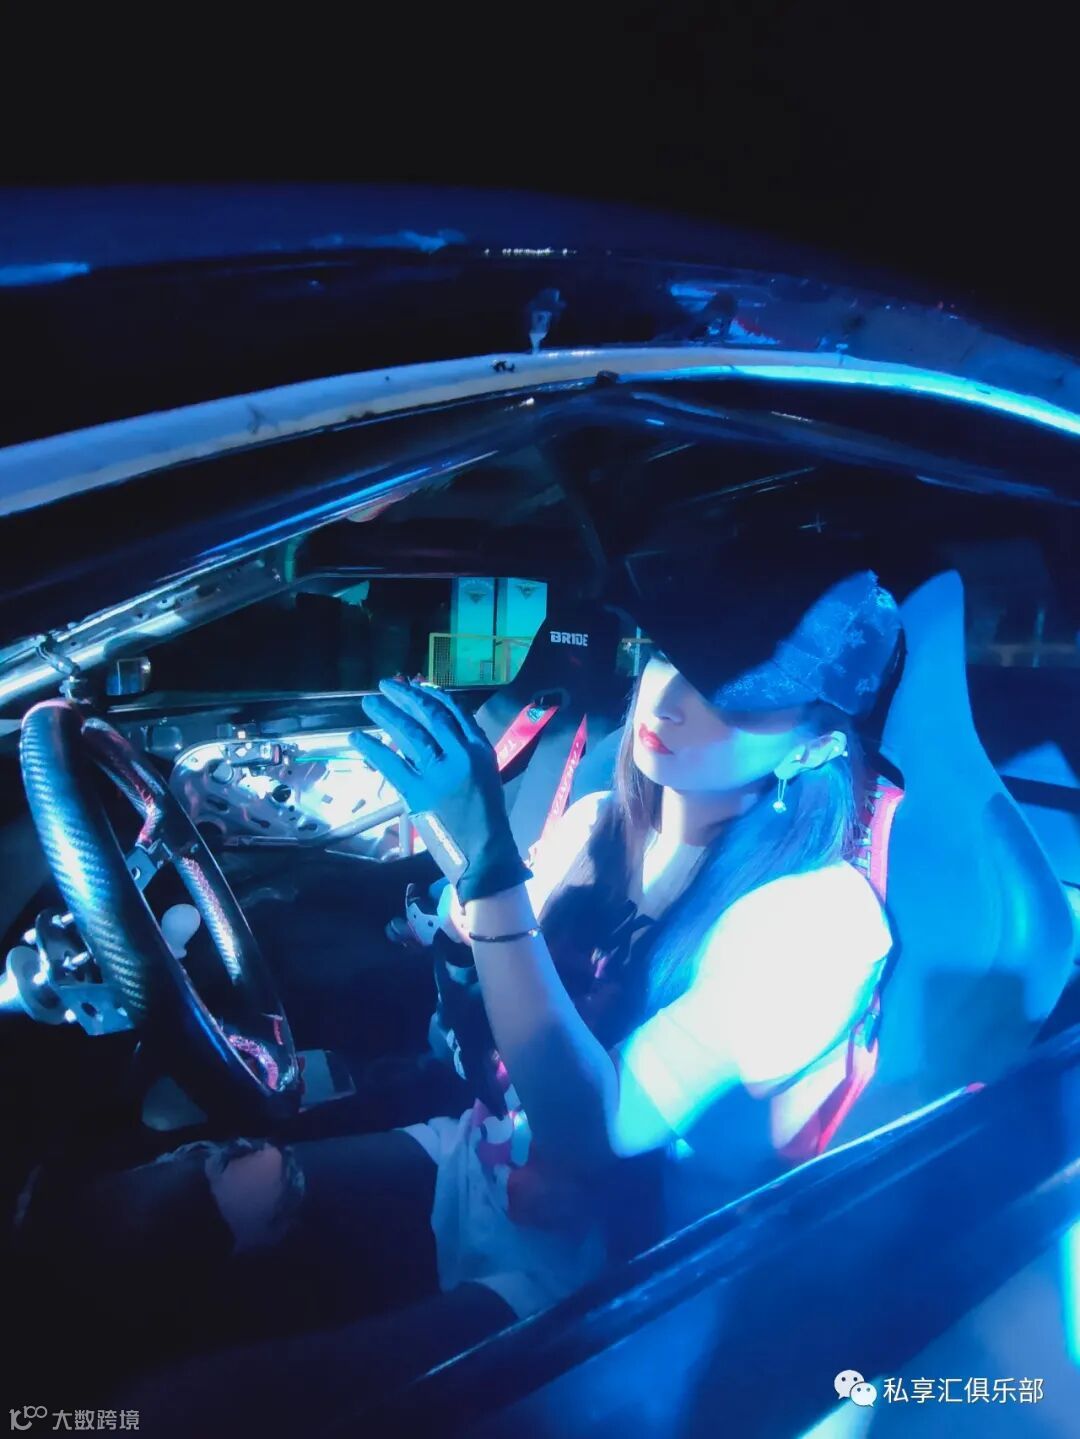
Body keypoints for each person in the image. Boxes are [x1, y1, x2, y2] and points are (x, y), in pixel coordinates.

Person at [14, 547, 902, 1435]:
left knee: (169, 1414)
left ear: (818, 737)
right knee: (149, 1214)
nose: (668, 700)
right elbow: (486, 1018)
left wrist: (489, 866)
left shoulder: (817, 919)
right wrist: (456, 868)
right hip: (476, 1160)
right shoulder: (598, 823)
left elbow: (594, 1133)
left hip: (599, 1284)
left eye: (728, 692)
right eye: (668, 656)